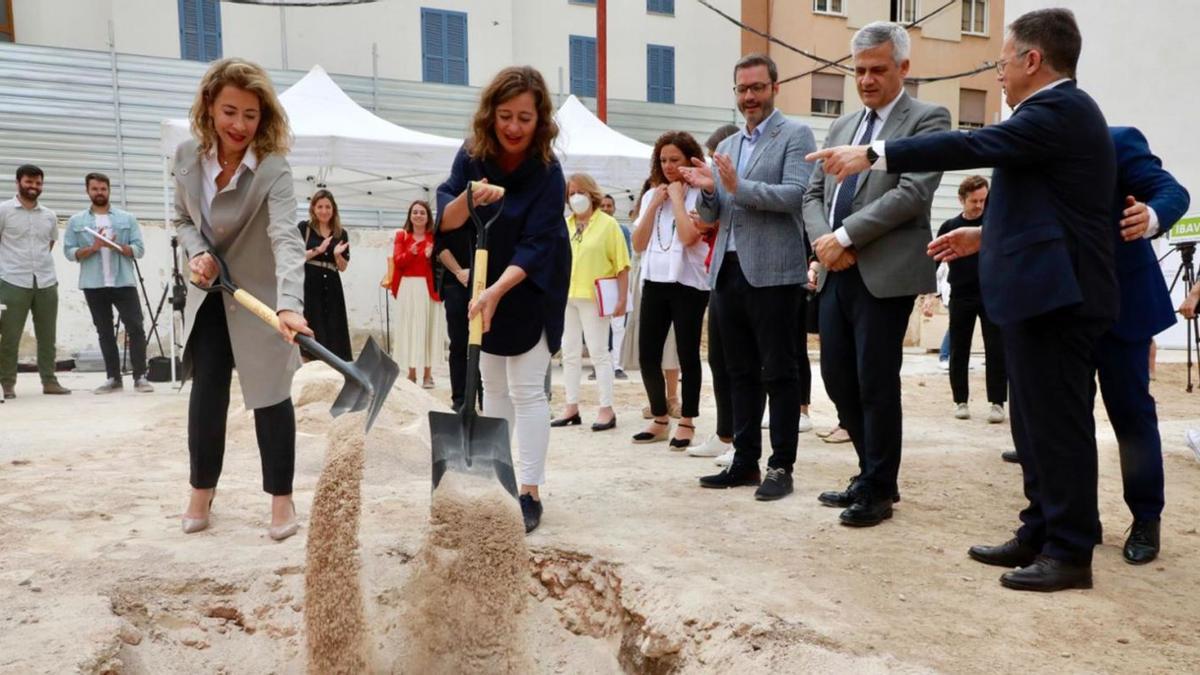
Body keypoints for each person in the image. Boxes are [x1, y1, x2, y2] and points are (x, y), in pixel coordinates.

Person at [811, 9, 1118, 591]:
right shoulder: (1051, 115)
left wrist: (877, 153)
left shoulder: (1059, 109)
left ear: (1032, 60)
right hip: (1039, 295)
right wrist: (984, 235)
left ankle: (1071, 550)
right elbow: (1047, 208)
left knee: (1057, 426)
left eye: (1000, 61)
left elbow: (974, 143)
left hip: (1060, 299)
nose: (997, 72)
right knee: (1032, 427)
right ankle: (1040, 529)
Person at [802, 23, 948, 524]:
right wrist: (826, 244)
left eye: (877, 70)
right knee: (838, 378)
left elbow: (911, 194)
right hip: (837, 271)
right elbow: (811, 195)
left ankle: (879, 489)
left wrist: (843, 239)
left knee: (875, 381)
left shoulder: (929, 119)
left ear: (903, 68)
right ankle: (870, 472)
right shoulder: (842, 127)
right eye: (859, 70)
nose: (866, 79)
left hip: (884, 275)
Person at [174, 57, 310, 541]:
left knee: (272, 395)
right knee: (207, 394)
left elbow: (286, 239)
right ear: (210, 107)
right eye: (230, 111)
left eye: (250, 115)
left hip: (262, 299)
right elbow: (182, 221)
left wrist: (290, 303)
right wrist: (197, 253)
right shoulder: (186, 157)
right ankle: (201, 491)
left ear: (264, 117)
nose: (239, 125)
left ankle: (281, 497)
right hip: (210, 297)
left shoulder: (273, 169)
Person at [434, 65, 570, 535]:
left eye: (525, 118)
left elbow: (538, 244)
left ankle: (529, 491)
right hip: (483, 272)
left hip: (531, 281)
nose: (513, 127)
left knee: (528, 388)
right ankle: (497, 480)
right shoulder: (472, 156)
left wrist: (495, 291)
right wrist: (467, 197)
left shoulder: (549, 173)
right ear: (491, 114)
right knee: (491, 386)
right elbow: (446, 217)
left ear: (540, 121)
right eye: (505, 115)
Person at [682, 53, 817, 501]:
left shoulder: (795, 134)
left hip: (775, 273)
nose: (749, 97)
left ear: (774, 88)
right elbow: (714, 212)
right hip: (728, 270)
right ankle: (745, 461)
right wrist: (706, 190)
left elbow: (796, 195)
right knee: (737, 371)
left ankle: (781, 466)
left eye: (757, 88)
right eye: (742, 89)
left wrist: (739, 187)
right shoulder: (729, 146)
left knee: (779, 371)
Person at [630, 131, 711, 450]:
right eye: (663, 160)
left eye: (674, 160)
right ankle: (660, 417)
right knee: (647, 353)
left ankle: (687, 420)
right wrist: (654, 204)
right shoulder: (652, 194)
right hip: (655, 281)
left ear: (690, 159)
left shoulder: (700, 194)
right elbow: (638, 243)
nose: (668, 166)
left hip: (689, 283)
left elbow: (690, 236)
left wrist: (677, 198)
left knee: (688, 353)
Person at [63, 172, 153, 394]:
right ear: (88, 191)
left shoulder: (126, 218)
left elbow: (139, 250)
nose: (99, 192)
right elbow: (69, 252)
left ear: (109, 190)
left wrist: (117, 247)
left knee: (136, 327)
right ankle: (113, 378)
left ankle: (140, 376)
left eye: (103, 189)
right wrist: (93, 247)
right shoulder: (77, 221)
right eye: (95, 189)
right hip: (94, 284)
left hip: (123, 281)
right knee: (104, 331)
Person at [552, 173, 629, 431]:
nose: (576, 197)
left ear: (591, 194)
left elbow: (622, 265)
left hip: (595, 297)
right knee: (569, 353)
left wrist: (621, 299)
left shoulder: (608, 225)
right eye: (571, 193)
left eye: (581, 192)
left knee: (599, 353)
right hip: (568, 296)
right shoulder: (565, 224)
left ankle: (606, 408)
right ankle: (571, 406)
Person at [689, 122, 741, 461]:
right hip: (718, 271)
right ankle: (724, 434)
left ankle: (740, 439)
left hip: (743, 274)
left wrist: (710, 224)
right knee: (718, 360)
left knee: (740, 364)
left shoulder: (739, 187)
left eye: (714, 159)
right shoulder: (715, 189)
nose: (710, 166)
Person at [938, 175, 1006, 423]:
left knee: (996, 349)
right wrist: (931, 295)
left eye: (983, 200)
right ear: (961, 200)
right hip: (961, 295)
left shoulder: (995, 223)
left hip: (992, 294)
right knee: (959, 349)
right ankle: (960, 400)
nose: (979, 205)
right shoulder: (949, 226)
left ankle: (997, 402)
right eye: (974, 201)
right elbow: (937, 263)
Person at [0, 164, 71, 398]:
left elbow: (48, 245)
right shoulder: (4, 211)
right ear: (18, 182)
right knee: (10, 336)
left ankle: (49, 381)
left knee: (47, 335)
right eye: (29, 182)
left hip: (46, 282)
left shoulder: (49, 215)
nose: (34, 187)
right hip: (12, 281)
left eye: (38, 183)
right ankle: (7, 384)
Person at [384, 200, 442, 388]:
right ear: (410, 215)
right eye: (415, 212)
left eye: (422, 212)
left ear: (428, 217)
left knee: (427, 329)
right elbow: (398, 261)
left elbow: (441, 262)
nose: (418, 215)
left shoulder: (434, 237)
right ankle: (411, 374)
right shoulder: (402, 236)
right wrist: (412, 252)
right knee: (409, 329)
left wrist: (431, 256)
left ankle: (427, 375)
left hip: (428, 288)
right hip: (408, 288)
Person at [298, 189, 352, 362]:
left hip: (332, 285)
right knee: (312, 325)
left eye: (328, 207)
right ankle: (309, 367)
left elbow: (343, 267)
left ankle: (334, 368)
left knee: (334, 326)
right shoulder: (304, 228)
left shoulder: (340, 233)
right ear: (313, 208)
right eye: (320, 206)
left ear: (333, 209)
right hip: (310, 283)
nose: (324, 211)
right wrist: (318, 250)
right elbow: (295, 257)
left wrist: (337, 256)